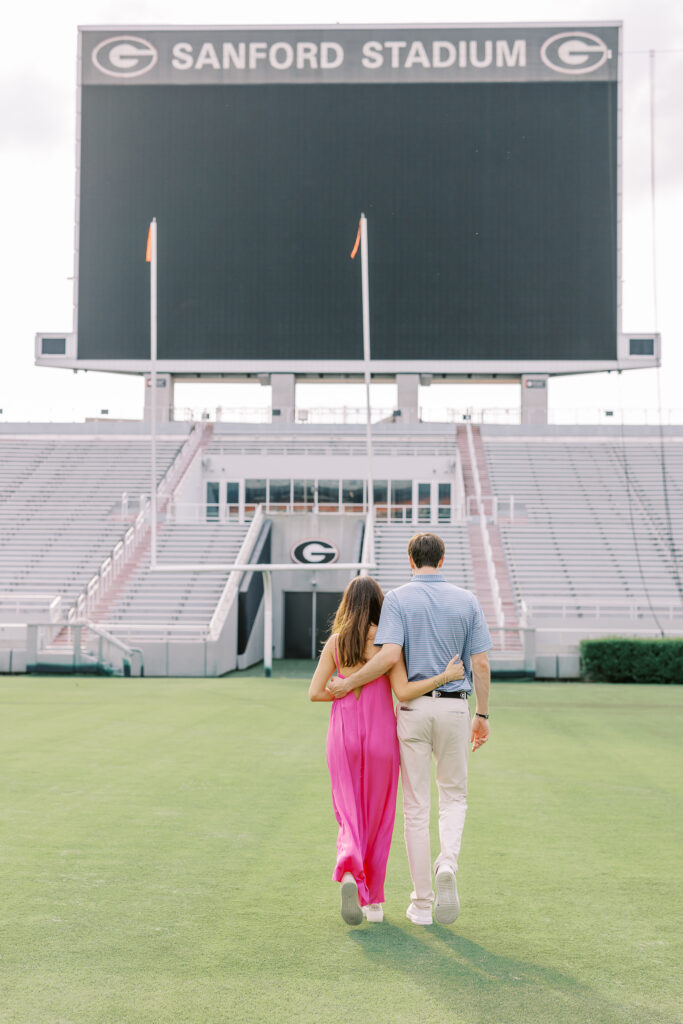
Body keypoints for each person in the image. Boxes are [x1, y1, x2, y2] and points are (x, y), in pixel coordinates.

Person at [328, 532, 491, 927]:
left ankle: (421, 904)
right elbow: (481, 664)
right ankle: (446, 864)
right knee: (453, 797)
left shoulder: (398, 599)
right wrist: (482, 716)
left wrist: (348, 683)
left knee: (415, 808)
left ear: (411, 561)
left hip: (412, 708)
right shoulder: (468, 601)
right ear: (443, 558)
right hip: (454, 708)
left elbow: (389, 656)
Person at [309, 575, 464, 926]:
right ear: (380, 604)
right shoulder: (387, 644)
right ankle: (373, 904)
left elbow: (315, 692)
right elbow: (404, 692)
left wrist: (342, 687)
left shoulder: (336, 643)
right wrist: (443, 677)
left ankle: (349, 871)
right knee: (380, 820)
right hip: (382, 737)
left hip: (343, 736)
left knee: (348, 814)